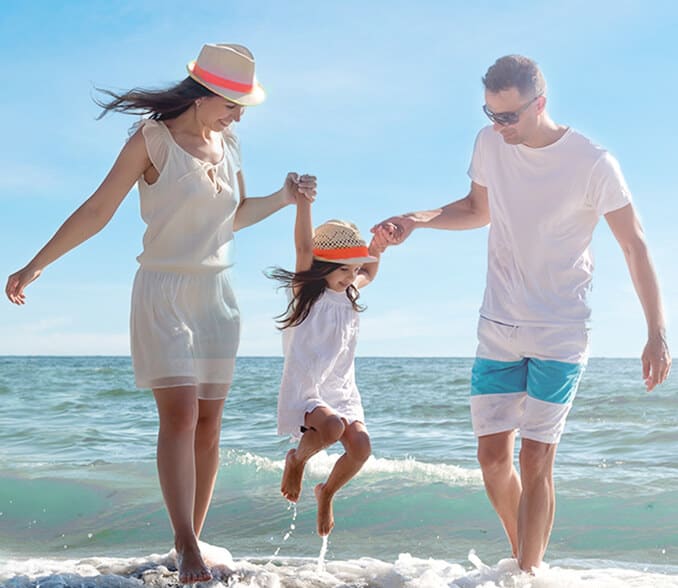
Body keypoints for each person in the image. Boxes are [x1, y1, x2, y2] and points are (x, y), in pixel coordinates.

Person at [5, 43, 317, 584]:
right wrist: (37, 265)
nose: (239, 115)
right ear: (201, 95)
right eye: (232, 103)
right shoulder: (151, 141)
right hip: (164, 291)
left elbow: (234, 217)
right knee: (178, 415)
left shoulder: (231, 143)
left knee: (210, 424)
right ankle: (186, 544)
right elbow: (98, 209)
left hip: (218, 296)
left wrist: (284, 198)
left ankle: (187, 544)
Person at [374, 55, 671, 571]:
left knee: (536, 460)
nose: (499, 126)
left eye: (509, 116)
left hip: (560, 331)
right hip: (498, 326)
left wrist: (657, 331)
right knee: (491, 461)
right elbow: (476, 209)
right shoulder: (490, 143)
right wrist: (415, 220)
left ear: (541, 103)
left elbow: (635, 246)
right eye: (491, 114)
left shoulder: (594, 162)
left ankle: (527, 575)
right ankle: (524, 564)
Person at [268, 195, 391, 536]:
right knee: (332, 428)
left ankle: (327, 492)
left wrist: (378, 247)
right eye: (343, 269)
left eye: (354, 268)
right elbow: (302, 246)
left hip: (341, 387)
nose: (352, 276)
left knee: (362, 448)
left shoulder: (348, 290)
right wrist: (303, 204)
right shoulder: (306, 290)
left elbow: (370, 270)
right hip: (306, 386)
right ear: (322, 264)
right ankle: (297, 460)